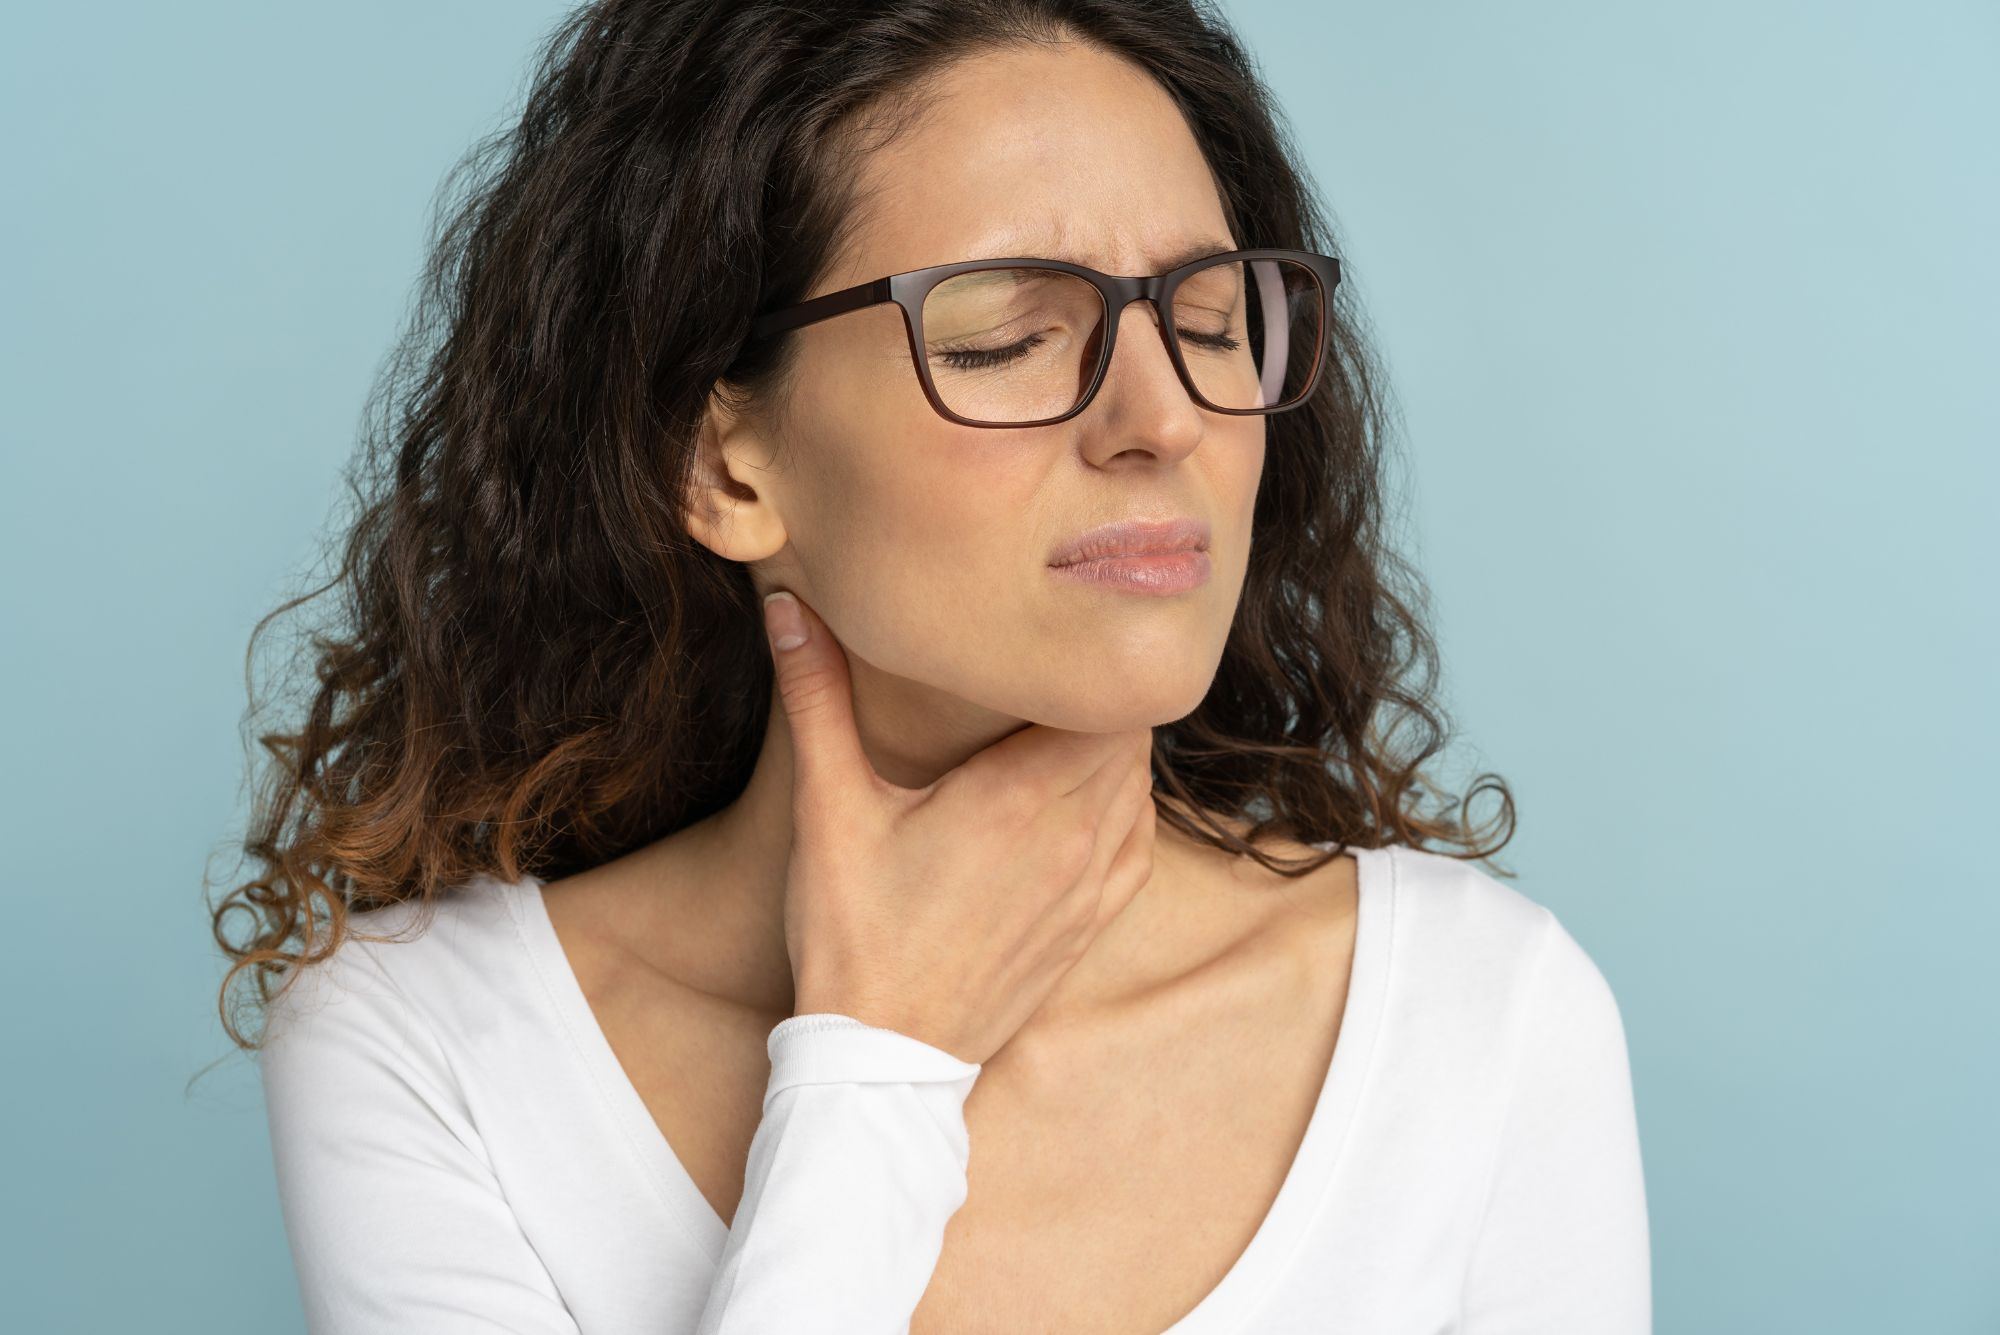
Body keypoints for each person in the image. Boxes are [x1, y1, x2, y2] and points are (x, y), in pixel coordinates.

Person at [218, 1, 1652, 1331]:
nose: (1164, 420)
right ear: (723, 464)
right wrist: (876, 1058)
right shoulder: (429, 1049)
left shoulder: (1485, 1019)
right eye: (1012, 335)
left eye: (1211, 319)